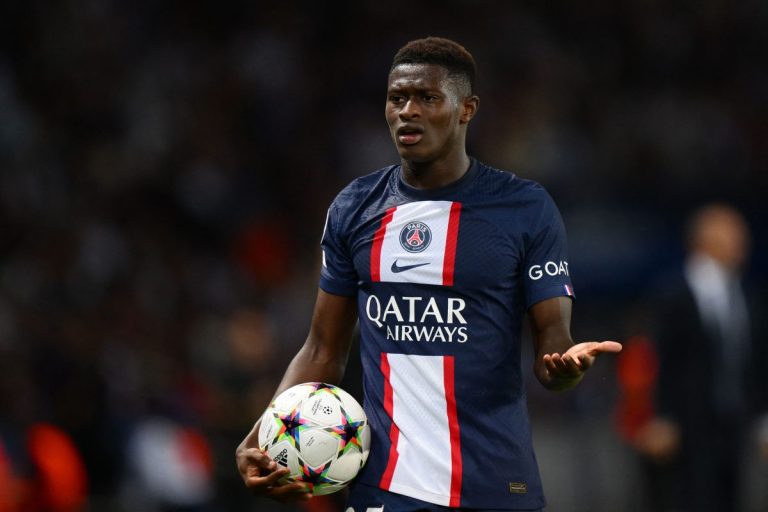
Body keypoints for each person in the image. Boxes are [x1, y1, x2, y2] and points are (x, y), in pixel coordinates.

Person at [236, 36, 622, 511]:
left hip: (495, 485)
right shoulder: (355, 208)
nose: (408, 111)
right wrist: (260, 435)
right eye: (397, 98)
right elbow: (322, 349)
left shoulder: (525, 208)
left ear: (466, 109)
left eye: (427, 98)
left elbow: (553, 343)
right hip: (387, 486)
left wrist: (564, 369)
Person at [635, 204, 768, 512]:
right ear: (706, 240)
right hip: (685, 424)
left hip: (733, 421)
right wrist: (659, 416)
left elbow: (754, 363)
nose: (743, 243)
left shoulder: (746, 296)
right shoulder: (672, 295)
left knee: (729, 497)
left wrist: (763, 420)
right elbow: (657, 359)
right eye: (734, 235)